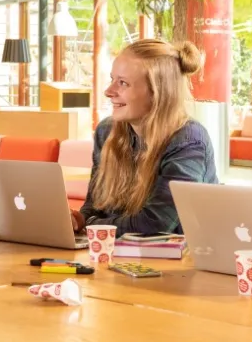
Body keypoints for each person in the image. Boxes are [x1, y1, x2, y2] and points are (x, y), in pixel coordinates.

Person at [70, 39, 218, 237]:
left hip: (179, 262)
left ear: (157, 93)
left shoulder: (188, 140)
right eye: (112, 79)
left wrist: (91, 225)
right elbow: (94, 207)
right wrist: (78, 220)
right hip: (122, 255)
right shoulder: (106, 131)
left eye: (123, 83)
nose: (109, 91)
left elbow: (155, 224)